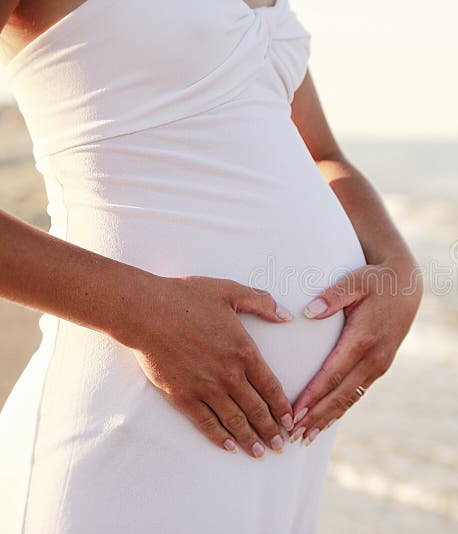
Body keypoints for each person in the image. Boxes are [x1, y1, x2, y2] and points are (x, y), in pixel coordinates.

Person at [0, 0, 422, 532]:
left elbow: (321, 155)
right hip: (123, 422)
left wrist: (399, 266)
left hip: (284, 457)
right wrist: (146, 313)